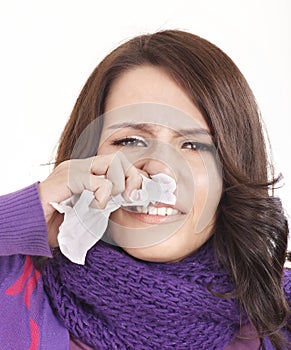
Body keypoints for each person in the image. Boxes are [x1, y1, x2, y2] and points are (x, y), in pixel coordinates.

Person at [0, 29, 290, 350]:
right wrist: (27, 213)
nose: (160, 169)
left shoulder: (279, 320)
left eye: (193, 145)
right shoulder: (10, 288)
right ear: (86, 157)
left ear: (232, 174)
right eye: (129, 141)